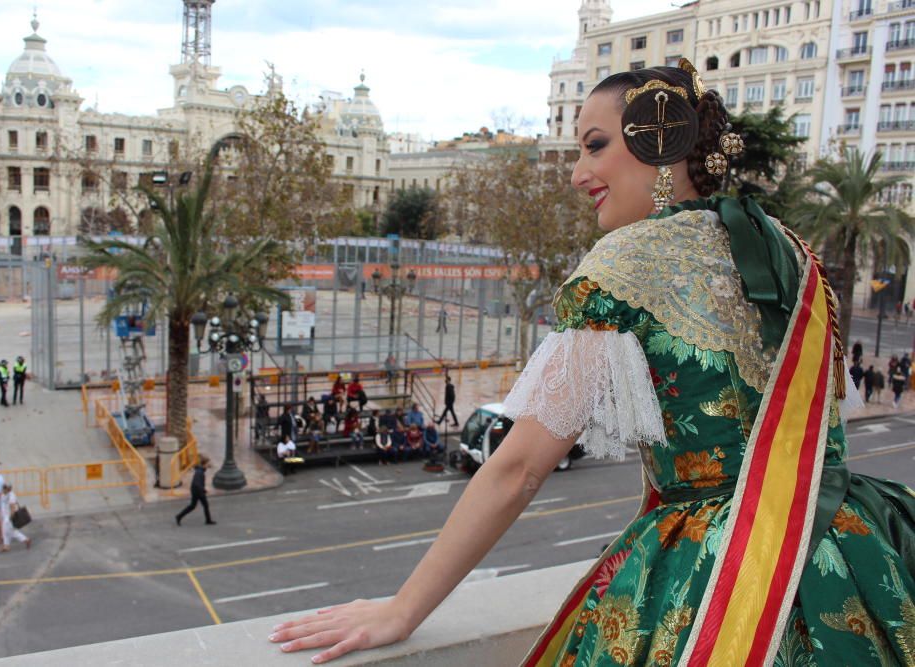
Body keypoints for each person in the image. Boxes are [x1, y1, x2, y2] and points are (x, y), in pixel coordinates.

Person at [270, 60, 914, 666]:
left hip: (723, 570)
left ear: (662, 144)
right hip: (858, 544)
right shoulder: (792, 254)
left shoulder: (622, 266)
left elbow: (519, 468)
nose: (578, 173)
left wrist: (403, 609)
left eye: (595, 145)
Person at [175, 456, 215, 526]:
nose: (209, 464)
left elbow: (197, 483)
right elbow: (197, 483)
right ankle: (208, 520)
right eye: (208, 463)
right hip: (198, 491)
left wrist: (203, 490)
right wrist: (203, 490)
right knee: (205, 505)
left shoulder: (199, 471)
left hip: (195, 490)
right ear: (204, 464)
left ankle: (179, 516)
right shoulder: (200, 472)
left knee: (192, 506)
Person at [0, 483, 30, 552]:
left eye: (4, 488)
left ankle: (25, 540)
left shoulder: (11, 495)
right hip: (5, 516)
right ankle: (6, 546)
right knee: (6, 531)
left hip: (9, 516)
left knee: (10, 531)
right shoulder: (3, 495)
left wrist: (11, 517)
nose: (3, 489)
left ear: (8, 489)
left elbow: (12, 507)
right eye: (3, 488)